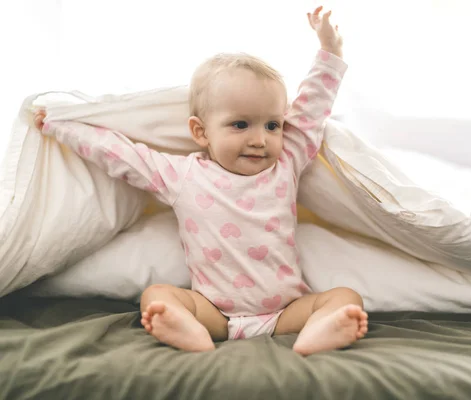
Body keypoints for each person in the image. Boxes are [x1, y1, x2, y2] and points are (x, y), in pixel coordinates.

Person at [33, 6, 368, 355]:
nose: (259, 139)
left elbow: (313, 109)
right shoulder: (183, 176)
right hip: (214, 314)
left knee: (345, 298)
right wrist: (62, 126)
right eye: (240, 125)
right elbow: (120, 155)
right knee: (158, 296)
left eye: (272, 125)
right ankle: (188, 330)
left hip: (285, 311)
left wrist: (331, 52)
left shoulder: (285, 163)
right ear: (200, 131)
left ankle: (316, 333)